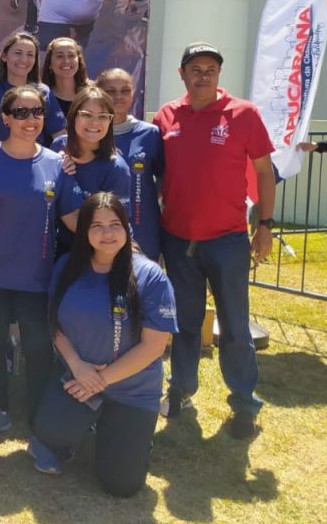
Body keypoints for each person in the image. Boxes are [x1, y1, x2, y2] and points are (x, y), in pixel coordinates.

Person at [154, 42, 275, 438]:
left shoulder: (244, 114)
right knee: (184, 323)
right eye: (195, 68)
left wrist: (265, 225)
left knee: (235, 325)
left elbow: (264, 172)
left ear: (219, 74)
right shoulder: (166, 116)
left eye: (210, 68)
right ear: (182, 73)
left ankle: (244, 404)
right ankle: (181, 391)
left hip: (226, 239)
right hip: (177, 238)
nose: (203, 74)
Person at [0, 85, 82, 443]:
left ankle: (39, 414)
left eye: (37, 112)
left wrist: (111, 237)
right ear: (6, 118)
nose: (31, 120)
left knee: (38, 347)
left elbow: (74, 217)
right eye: (22, 113)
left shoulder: (56, 164)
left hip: (37, 278)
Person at [29, 193, 176, 493]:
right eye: (96, 226)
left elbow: (153, 347)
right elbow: (54, 323)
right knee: (48, 430)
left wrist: (100, 380)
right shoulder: (68, 267)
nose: (106, 233)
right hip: (78, 378)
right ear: (84, 231)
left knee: (121, 485)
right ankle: (87, 426)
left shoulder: (151, 277)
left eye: (114, 225)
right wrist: (77, 367)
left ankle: (125, 436)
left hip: (132, 391)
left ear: (126, 229)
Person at [51, 87, 132, 255]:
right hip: (50, 251)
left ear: (110, 122)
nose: (95, 123)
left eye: (103, 117)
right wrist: (54, 166)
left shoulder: (116, 168)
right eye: (87, 115)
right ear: (73, 116)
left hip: (93, 256)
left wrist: (67, 178)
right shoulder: (58, 147)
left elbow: (115, 226)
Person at [97, 68, 164, 260]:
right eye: (111, 91)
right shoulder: (89, 133)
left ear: (134, 94)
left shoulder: (150, 134)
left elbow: (163, 180)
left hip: (143, 232)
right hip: (99, 233)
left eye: (125, 90)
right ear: (99, 92)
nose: (118, 96)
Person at [0, 31, 66, 146]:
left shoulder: (43, 92)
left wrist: (62, 154)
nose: (24, 59)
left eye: (30, 55)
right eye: (18, 53)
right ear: (4, 56)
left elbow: (59, 134)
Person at [41, 37, 90, 119]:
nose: (66, 61)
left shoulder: (92, 94)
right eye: (60, 56)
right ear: (49, 63)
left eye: (71, 55)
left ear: (79, 61)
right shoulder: (41, 97)